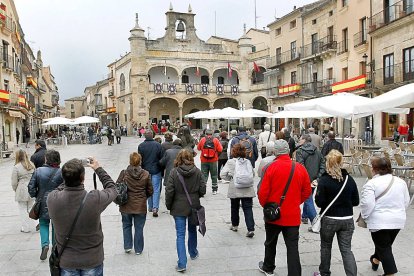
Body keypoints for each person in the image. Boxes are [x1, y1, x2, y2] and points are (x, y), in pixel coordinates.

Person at [47, 157, 117, 275]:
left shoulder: (52, 199)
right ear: (82, 178)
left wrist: (70, 173)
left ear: (64, 178)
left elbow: (61, 187)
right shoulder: (94, 199)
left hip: (66, 261)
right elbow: (113, 189)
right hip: (92, 259)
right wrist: (98, 169)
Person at [257, 139, 312, 276]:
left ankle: (268, 267)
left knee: (270, 242)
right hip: (292, 215)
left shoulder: (270, 168)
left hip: (274, 213)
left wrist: (267, 206)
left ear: (275, 152)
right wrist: (295, 202)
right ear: (289, 151)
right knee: (292, 248)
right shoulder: (300, 168)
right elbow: (307, 191)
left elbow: (262, 192)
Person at [360, 157, 410, 276]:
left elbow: (367, 204)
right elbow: (406, 200)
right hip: (398, 219)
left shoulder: (371, 183)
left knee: (384, 247)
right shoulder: (401, 182)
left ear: (374, 169)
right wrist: (399, 211)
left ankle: (390, 273)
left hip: (379, 220)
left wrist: (365, 217)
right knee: (385, 244)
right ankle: (376, 259)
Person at [314, 150, 359, 276]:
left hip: (330, 218)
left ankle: (324, 272)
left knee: (326, 246)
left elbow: (319, 202)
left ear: (328, 162)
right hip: (347, 219)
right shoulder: (349, 179)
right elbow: (355, 201)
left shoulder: (324, 180)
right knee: (346, 249)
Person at [165, 149, 206, 272]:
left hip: (178, 207)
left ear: (178, 159)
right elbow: (203, 189)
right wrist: (196, 195)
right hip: (193, 204)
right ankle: (193, 252)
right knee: (192, 230)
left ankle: (182, 263)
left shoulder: (174, 172)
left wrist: (169, 205)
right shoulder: (197, 172)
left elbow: (169, 191)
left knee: (180, 235)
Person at [28, 150, 64, 260]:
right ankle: (54, 247)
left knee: (43, 223)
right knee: (55, 225)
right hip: (57, 201)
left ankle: (45, 245)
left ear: (46, 159)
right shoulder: (62, 172)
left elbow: (31, 187)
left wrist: (36, 195)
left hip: (42, 201)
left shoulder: (38, 171)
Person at [117, 152, 153, 255]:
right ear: (140, 161)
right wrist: (143, 197)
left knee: (126, 225)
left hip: (126, 204)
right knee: (139, 227)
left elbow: (117, 187)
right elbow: (150, 190)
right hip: (140, 205)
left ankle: (128, 246)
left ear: (130, 161)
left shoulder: (124, 173)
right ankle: (138, 249)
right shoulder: (145, 174)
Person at [220, 144, 256, 237]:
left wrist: (231, 178)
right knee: (248, 208)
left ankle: (235, 225)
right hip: (247, 189)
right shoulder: (247, 161)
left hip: (235, 188)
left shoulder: (231, 162)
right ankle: (251, 229)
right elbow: (253, 174)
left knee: (234, 207)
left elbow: (222, 174)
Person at [295, 134, 326, 227]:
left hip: (306, 179)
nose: (299, 141)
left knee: (308, 199)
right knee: (308, 197)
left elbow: (301, 166)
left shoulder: (300, 151)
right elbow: (323, 165)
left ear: (304, 140)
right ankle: (304, 216)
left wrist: (306, 179)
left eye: (300, 139)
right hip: (314, 179)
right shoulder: (317, 151)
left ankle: (315, 220)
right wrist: (318, 177)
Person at [138, 130, 163, 217]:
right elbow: (161, 158)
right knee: (156, 189)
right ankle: (155, 208)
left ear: (144, 136)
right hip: (156, 169)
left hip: (145, 170)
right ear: (152, 135)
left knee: (147, 188)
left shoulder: (141, 146)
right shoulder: (158, 145)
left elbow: (140, 160)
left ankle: (150, 206)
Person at [11, 149, 35, 233]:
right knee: (31, 207)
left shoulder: (16, 167)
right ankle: (36, 224)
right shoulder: (31, 164)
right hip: (32, 188)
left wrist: (15, 190)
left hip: (21, 189)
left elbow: (14, 182)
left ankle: (26, 227)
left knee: (22, 208)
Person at [197, 129, 223, 195]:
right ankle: (214, 190)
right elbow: (220, 149)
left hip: (204, 160)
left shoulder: (202, 139)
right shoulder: (216, 140)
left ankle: (202, 190)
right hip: (213, 160)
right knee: (214, 175)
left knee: (204, 175)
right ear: (212, 134)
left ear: (205, 133)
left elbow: (198, 148)